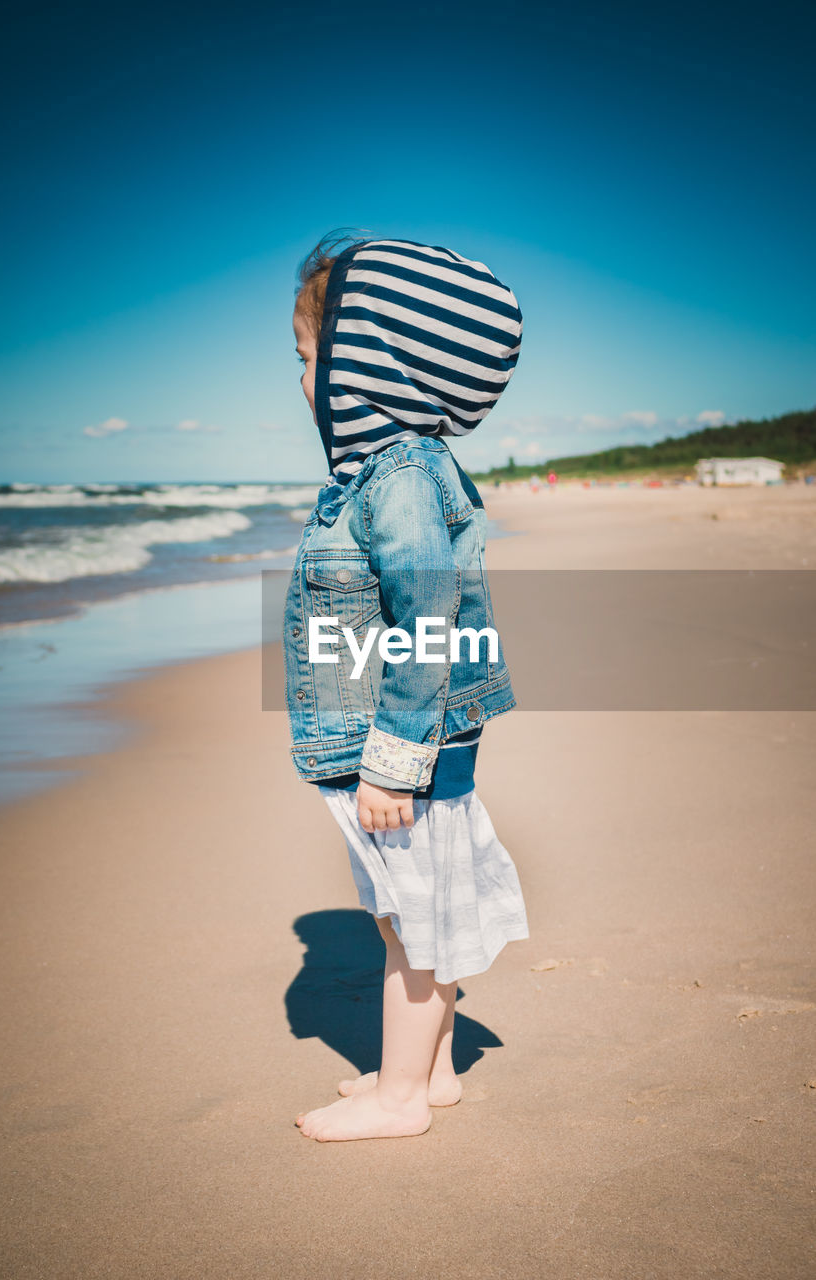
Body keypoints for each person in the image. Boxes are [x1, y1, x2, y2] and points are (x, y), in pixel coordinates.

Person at [283, 230, 530, 1141]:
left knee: (417, 917)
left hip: (402, 745)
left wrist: (391, 761)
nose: (302, 381)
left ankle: (401, 1099)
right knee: (411, 908)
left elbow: (424, 618)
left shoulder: (396, 478)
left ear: (365, 366)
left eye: (310, 359)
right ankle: (430, 1073)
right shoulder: (386, 475)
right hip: (408, 739)